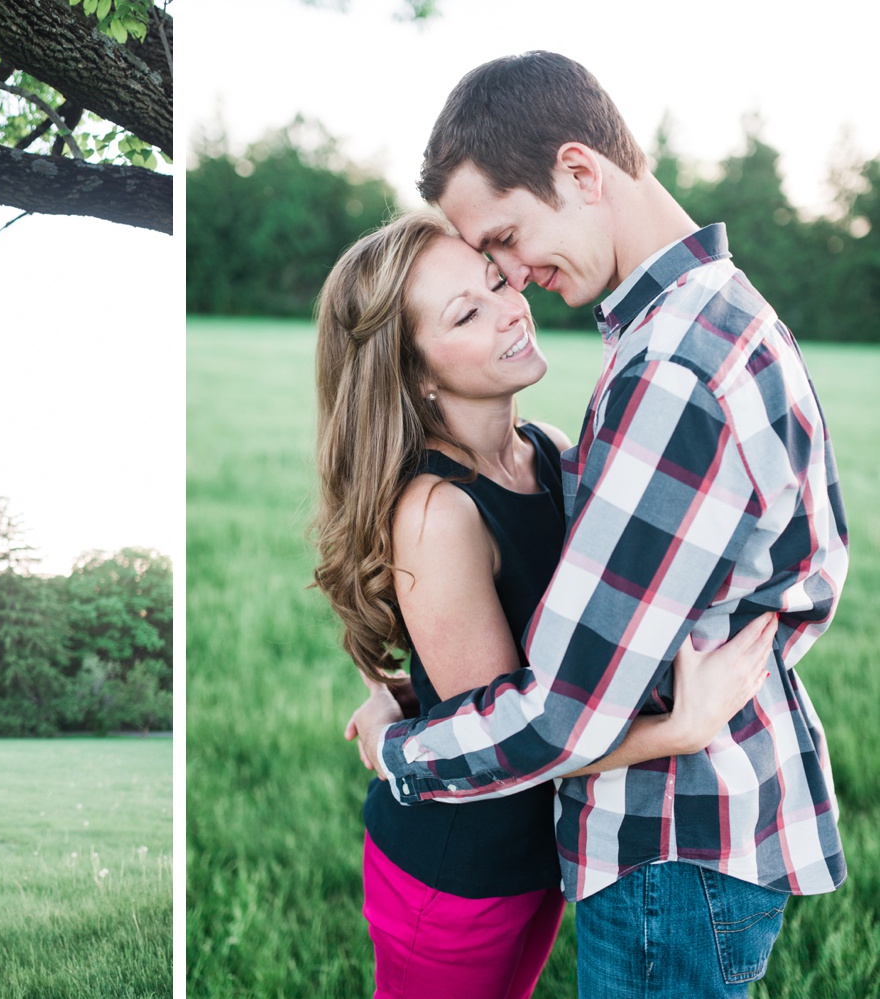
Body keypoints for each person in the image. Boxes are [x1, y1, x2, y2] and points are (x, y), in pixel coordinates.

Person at [352, 52, 848, 998]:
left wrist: (399, 749)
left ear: (580, 173)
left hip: (673, 836)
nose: (516, 279)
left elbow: (563, 709)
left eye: (505, 240)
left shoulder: (672, 367)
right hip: (693, 821)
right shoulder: (713, 317)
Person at [315, 210, 776, 999]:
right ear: (416, 373)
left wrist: (407, 700)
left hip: (536, 859)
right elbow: (508, 743)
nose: (510, 307)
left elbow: (554, 653)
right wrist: (678, 731)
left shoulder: (550, 451)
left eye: (497, 282)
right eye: (466, 312)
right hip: (457, 873)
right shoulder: (437, 512)